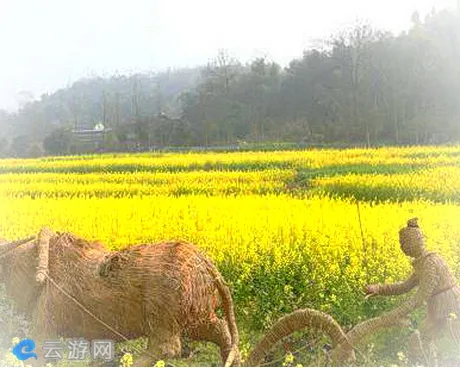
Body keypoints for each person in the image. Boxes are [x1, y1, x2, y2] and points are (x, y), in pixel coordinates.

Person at [365, 218, 460, 365]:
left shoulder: (429, 263)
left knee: (421, 340)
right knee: (425, 339)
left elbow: (421, 297)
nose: (402, 247)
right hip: (440, 305)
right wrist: (379, 289)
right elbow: (405, 286)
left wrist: (395, 314)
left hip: (447, 304)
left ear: (413, 243)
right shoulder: (423, 262)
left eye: (404, 243)